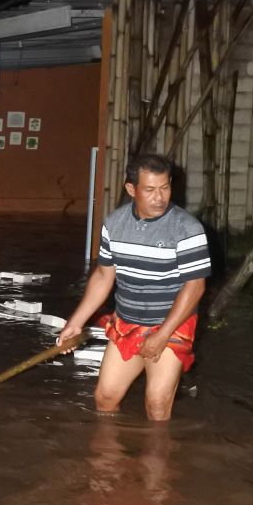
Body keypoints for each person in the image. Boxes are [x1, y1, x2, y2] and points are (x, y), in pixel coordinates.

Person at [58, 153, 210, 421]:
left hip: (171, 324)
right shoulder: (114, 224)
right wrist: (76, 322)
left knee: (157, 404)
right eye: (150, 189)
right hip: (127, 322)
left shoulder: (187, 228)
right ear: (131, 189)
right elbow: (104, 276)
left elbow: (195, 287)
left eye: (165, 187)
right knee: (105, 398)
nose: (160, 197)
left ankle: (157, 460)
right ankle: (108, 459)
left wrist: (162, 335)